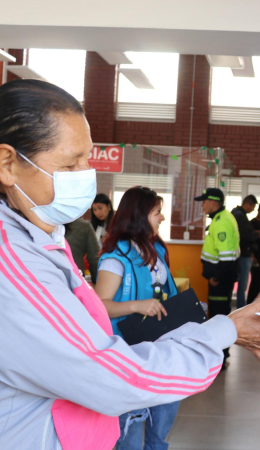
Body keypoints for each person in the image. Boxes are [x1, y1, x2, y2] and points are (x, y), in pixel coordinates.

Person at [0, 79, 260, 450]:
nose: (86, 172)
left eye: (87, 157)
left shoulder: (35, 236)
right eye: (70, 162)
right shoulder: (7, 265)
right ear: (7, 164)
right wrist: (220, 333)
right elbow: (114, 379)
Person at [94, 186, 181, 449]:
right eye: (157, 213)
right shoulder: (115, 257)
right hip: (126, 352)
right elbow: (99, 306)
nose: (162, 218)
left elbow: (164, 293)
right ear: (140, 216)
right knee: (129, 432)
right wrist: (136, 306)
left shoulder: (156, 250)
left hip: (159, 347)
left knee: (162, 419)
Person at [196, 188, 240, 366]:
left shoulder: (221, 222)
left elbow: (226, 256)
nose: (202, 205)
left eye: (204, 202)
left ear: (213, 203)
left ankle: (219, 358)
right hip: (220, 277)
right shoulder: (221, 218)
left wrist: (216, 277)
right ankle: (221, 355)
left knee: (218, 316)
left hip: (220, 279)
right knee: (219, 314)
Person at [231, 194, 258, 309]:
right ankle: (241, 309)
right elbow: (244, 235)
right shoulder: (240, 216)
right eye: (253, 207)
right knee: (242, 285)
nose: (253, 210)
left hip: (239, 254)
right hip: (243, 254)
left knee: (241, 284)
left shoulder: (237, 214)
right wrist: (256, 234)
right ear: (247, 204)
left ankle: (240, 308)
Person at [64, 217, 101, 283]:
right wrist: (97, 282)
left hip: (47, 282)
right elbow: (94, 259)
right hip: (75, 280)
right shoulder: (84, 226)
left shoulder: (44, 224)